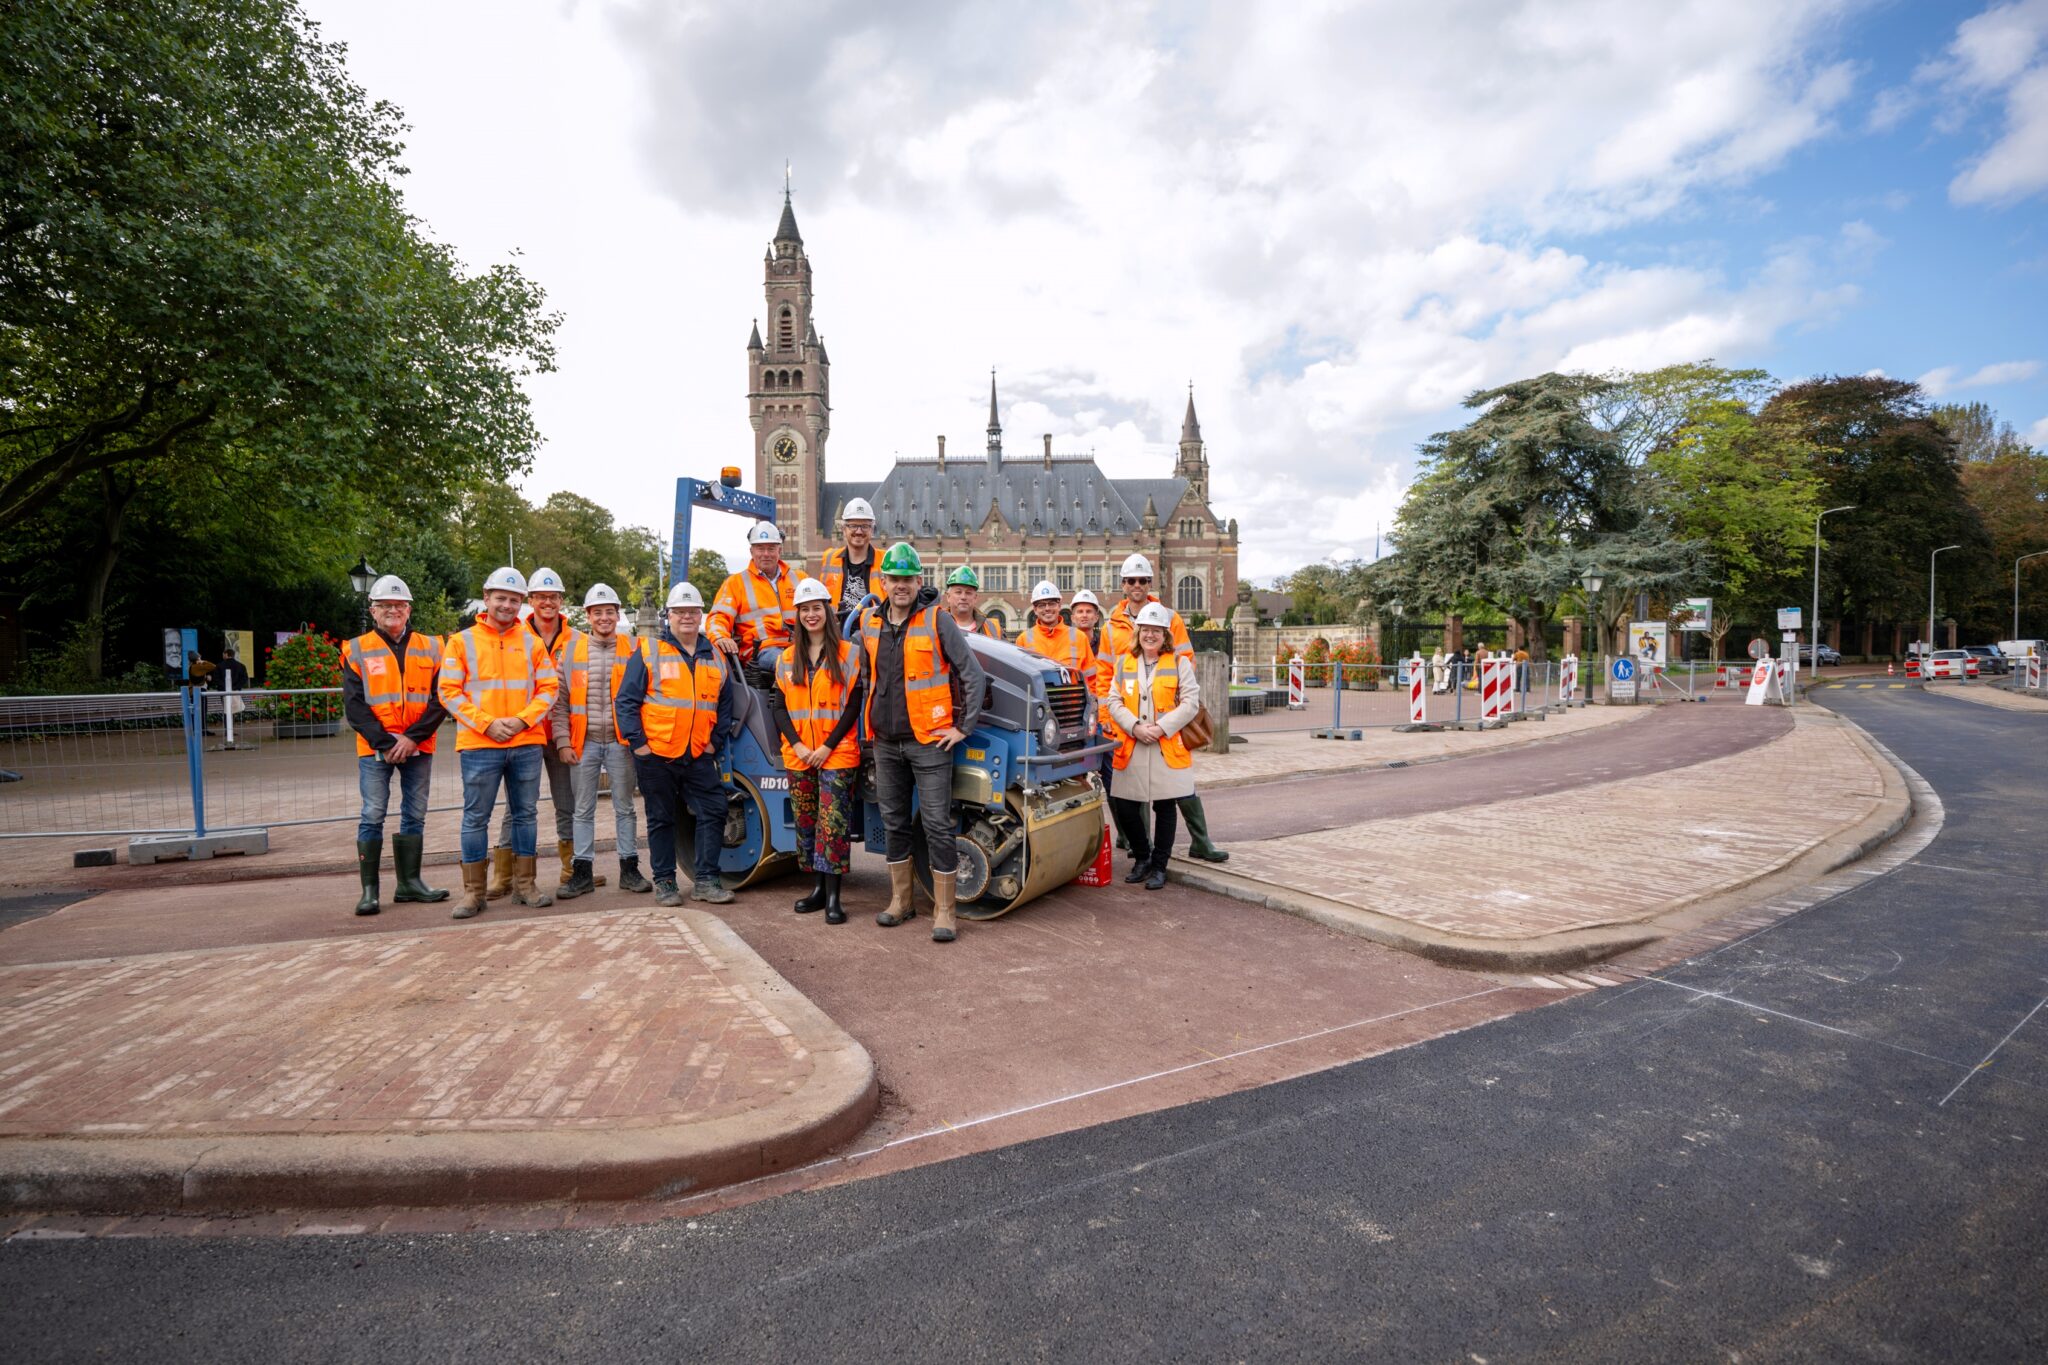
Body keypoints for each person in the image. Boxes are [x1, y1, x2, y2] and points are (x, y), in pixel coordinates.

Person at [860, 541, 984, 943]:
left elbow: (972, 675)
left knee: (935, 825)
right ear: (883, 581)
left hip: (930, 742)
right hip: (885, 743)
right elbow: (865, 680)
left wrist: (962, 727)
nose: (900, 585)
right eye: (894, 578)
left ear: (918, 581)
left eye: (907, 579)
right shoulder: (869, 623)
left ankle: (945, 910)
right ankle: (901, 901)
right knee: (894, 822)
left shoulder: (937, 620)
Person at [438, 566, 560, 920]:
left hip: (525, 742)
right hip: (480, 743)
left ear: (522, 603)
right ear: (487, 597)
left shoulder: (533, 643)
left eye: (514, 599)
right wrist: (488, 724)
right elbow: (448, 691)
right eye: (501, 598)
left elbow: (549, 688)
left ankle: (525, 886)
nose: (507, 605)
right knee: (475, 817)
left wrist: (521, 721)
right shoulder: (461, 642)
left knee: (526, 815)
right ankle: (474, 893)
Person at [616, 581, 737, 908]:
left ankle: (706, 879)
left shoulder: (713, 655)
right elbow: (626, 701)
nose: (687, 616)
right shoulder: (649, 650)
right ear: (668, 615)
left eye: (692, 611)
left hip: (697, 754)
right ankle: (665, 881)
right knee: (661, 818)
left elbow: (724, 704)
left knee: (714, 808)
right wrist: (639, 744)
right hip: (656, 755)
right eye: (680, 611)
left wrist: (713, 741)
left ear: (701, 615)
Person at [1103, 554, 1228, 864]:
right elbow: (1106, 675)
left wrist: (1171, 710)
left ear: (1150, 583)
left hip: (1165, 716)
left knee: (1178, 785)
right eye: (1131, 580)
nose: (1137, 586)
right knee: (1134, 787)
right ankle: (1139, 845)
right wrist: (1110, 717)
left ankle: (1201, 841)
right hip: (1130, 720)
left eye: (1142, 580)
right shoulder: (1111, 626)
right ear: (1123, 585)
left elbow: (1185, 658)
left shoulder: (1169, 616)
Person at [341, 575, 448, 916]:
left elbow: (441, 697)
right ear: (373, 611)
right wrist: (387, 742)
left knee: (414, 814)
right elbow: (354, 705)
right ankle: (369, 891)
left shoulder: (433, 647)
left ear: (408, 609)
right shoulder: (356, 649)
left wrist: (412, 737)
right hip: (377, 748)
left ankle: (409, 884)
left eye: (398, 605)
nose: (392, 611)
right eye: (385, 605)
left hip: (419, 744)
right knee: (373, 814)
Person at [487, 567, 588, 899]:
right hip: (524, 734)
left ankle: (573, 870)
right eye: (541, 597)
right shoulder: (515, 636)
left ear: (561, 601)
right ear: (531, 600)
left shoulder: (578, 641)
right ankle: (504, 876)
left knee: (567, 803)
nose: (548, 602)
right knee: (516, 807)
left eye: (554, 597)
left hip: (563, 736)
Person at [772, 577, 866, 925]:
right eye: (804, 610)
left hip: (836, 752)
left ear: (826, 611)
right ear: (797, 615)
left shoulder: (848, 654)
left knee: (833, 824)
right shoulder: (785, 660)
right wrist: (798, 745)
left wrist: (826, 746)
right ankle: (816, 889)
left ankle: (834, 898)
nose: (811, 615)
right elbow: (779, 708)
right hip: (799, 754)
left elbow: (853, 705)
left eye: (816, 608)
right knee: (807, 823)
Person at [554, 582, 649, 900]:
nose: (604, 617)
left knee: (625, 808)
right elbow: (560, 702)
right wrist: (563, 741)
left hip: (622, 744)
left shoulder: (636, 648)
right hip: (585, 742)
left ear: (618, 613)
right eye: (598, 612)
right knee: (582, 810)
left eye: (610, 611)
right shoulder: (570, 651)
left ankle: (629, 870)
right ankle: (581, 873)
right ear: (588, 615)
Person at [1104, 602, 1201, 891]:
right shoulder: (1124, 663)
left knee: (1165, 806)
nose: (1150, 635)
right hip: (1133, 744)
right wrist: (1134, 726)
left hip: (1164, 745)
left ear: (1165, 634)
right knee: (1126, 805)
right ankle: (1142, 858)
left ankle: (1160, 866)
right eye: (1146, 629)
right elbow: (1113, 700)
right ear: (1138, 632)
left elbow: (1191, 702)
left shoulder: (1179, 663)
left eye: (1156, 630)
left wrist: (1161, 728)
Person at [710, 521, 797, 675]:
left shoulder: (800, 579)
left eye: (771, 548)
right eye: (760, 548)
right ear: (751, 551)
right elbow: (719, 617)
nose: (766, 554)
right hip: (760, 651)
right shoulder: (736, 583)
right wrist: (720, 637)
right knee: (792, 663)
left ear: (779, 551)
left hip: (798, 647)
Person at [1016, 580, 1099, 684]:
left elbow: (1092, 679)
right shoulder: (1023, 640)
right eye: (1041, 605)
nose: (1047, 608)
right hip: (1037, 700)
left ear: (1059, 606)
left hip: (1073, 699)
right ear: (1035, 609)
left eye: (1051, 603)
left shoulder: (1079, 637)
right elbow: (1020, 680)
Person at [818, 497, 879, 613]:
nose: (859, 531)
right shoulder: (829, 559)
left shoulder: (885, 560)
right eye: (853, 526)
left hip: (874, 629)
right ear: (843, 529)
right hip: (837, 628)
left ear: (872, 530)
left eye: (865, 526)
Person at [942, 565, 1006, 638]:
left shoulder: (993, 628)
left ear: (975, 598)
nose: (963, 597)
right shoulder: (936, 625)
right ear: (948, 596)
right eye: (958, 592)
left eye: (968, 593)